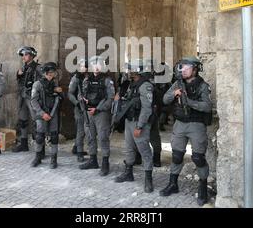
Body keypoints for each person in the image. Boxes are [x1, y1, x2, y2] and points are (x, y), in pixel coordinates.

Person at [159, 56, 212, 206]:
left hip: (196, 125)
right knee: (176, 155)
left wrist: (190, 102)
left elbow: (207, 106)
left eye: (187, 67)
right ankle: (173, 184)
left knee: (198, 158)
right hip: (180, 124)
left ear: (195, 69)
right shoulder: (178, 83)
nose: (183, 69)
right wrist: (174, 94)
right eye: (182, 66)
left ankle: (202, 188)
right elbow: (164, 99)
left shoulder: (202, 86)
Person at [114, 59, 154, 193]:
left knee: (144, 151)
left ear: (138, 70)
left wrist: (140, 126)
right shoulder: (132, 84)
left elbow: (147, 109)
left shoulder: (145, 86)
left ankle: (148, 179)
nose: (129, 72)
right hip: (129, 121)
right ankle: (128, 173)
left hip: (139, 123)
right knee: (129, 148)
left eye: (132, 69)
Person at [79, 56, 115, 176]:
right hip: (89, 112)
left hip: (101, 113)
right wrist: (82, 100)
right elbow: (82, 94)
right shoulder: (86, 80)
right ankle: (93, 160)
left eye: (99, 64)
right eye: (94, 64)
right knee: (90, 136)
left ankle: (105, 163)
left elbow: (110, 99)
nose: (96, 67)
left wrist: (98, 108)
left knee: (103, 138)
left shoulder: (107, 81)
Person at [30, 62, 63, 168]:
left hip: (53, 114)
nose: (51, 75)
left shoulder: (55, 84)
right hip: (41, 114)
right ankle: (38, 157)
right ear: (44, 73)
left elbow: (60, 99)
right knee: (39, 137)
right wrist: (42, 113)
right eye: (49, 73)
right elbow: (34, 101)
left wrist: (60, 92)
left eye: (53, 73)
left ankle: (54, 159)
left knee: (54, 137)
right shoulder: (37, 84)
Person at [12, 46, 41, 153]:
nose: (23, 57)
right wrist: (18, 75)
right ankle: (24, 144)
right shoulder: (23, 67)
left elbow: (43, 82)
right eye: (22, 55)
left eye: (25, 55)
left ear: (31, 55)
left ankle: (40, 148)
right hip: (22, 96)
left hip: (32, 98)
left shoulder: (38, 68)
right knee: (22, 120)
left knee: (36, 120)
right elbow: (21, 81)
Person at [68, 58, 88, 162]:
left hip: (88, 107)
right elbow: (70, 93)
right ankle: (79, 152)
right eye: (81, 66)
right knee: (80, 130)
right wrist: (77, 103)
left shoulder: (90, 77)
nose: (83, 68)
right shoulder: (76, 78)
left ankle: (76, 147)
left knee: (85, 130)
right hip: (79, 108)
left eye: (85, 66)